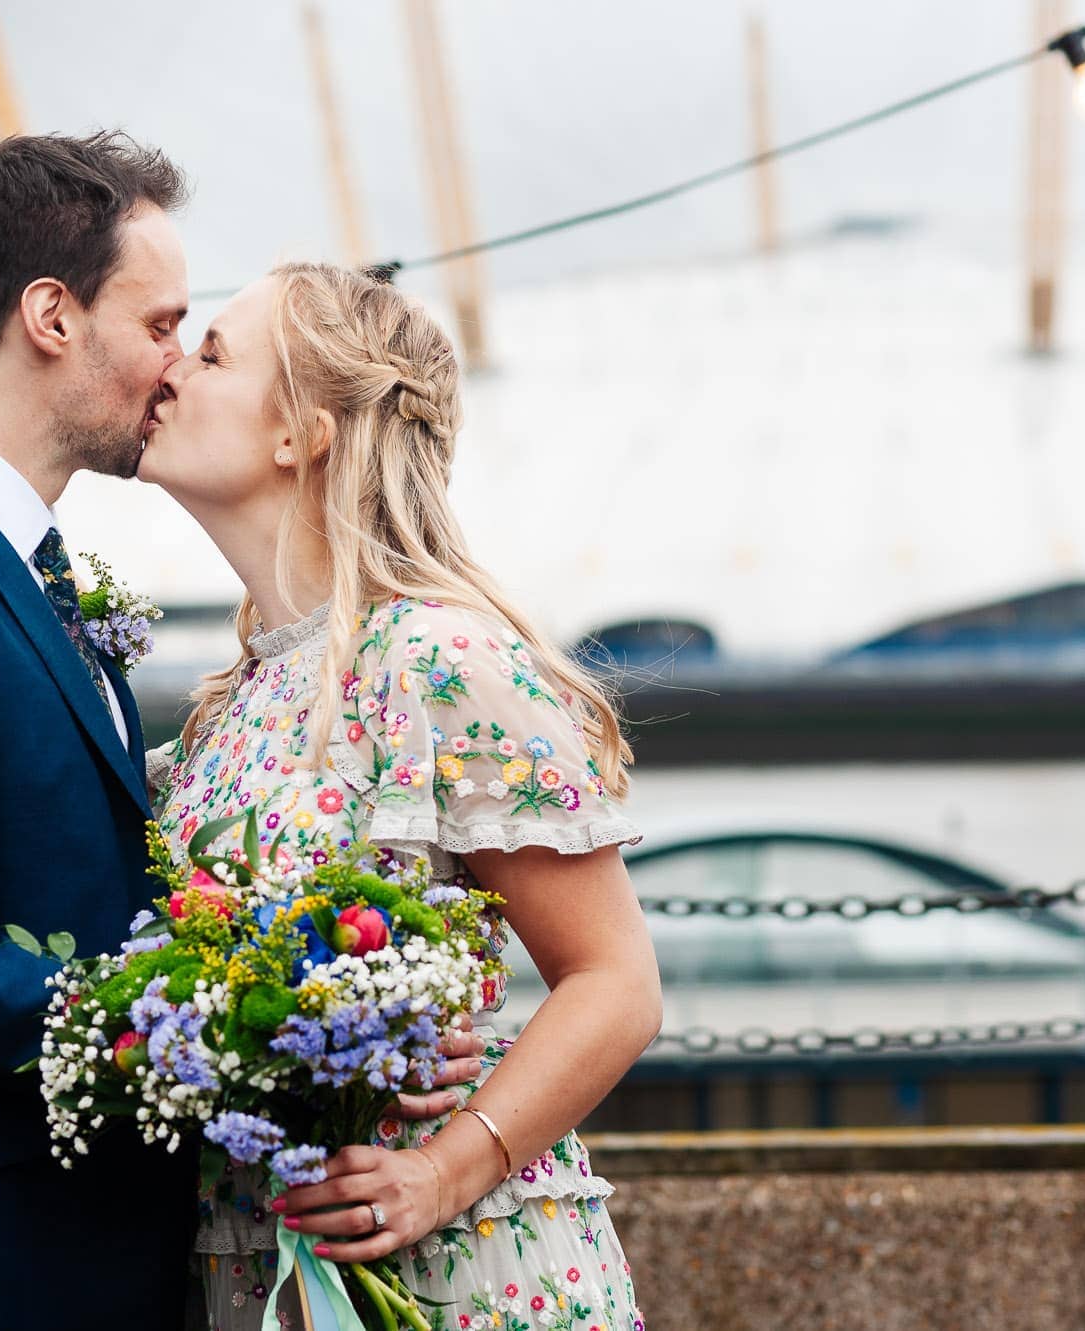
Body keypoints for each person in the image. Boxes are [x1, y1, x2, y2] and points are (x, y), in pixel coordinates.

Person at [0, 133, 486, 1330]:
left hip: (83, 1253)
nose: (171, 367)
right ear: (52, 315)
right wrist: (279, 1030)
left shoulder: (19, 569)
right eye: (159, 324)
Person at [141, 262, 663, 1329]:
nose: (168, 368)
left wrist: (444, 1169)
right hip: (255, 1268)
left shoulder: (439, 658)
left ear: (302, 433)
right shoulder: (220, 711)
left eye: (210, 354)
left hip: (455, 1272)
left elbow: (614, 980)